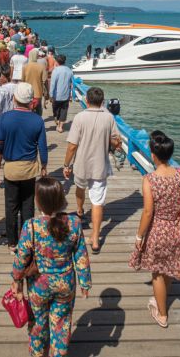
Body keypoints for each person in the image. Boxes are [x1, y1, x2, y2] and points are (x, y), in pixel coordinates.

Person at [11, 177, 91, 357]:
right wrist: (85, 283)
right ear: (61, 199)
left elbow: (21, 258)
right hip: (65, 283)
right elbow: (81, 256)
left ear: (38, 201)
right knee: (61, 325)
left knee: (38, 324)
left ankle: (38, 353)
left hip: (38, 285)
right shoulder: (74, 223)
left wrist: (16, 280)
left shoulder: (31, 226)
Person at [132, 131, 180, 328]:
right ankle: (161, 299)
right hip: (177, 228)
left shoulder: (150, 179)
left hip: (158, 229)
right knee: (168, 266)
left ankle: (162, 314)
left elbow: (148, 212)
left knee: (157, 273)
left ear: (153, 155)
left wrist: (139, 235)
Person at [62, 87, 121, 254]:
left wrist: (66, 165)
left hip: (81, 164)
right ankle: (95, 239)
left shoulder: (79, 117)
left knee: (79, 188)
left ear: (86, 100)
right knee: (97, 201)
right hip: (100, 166)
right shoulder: (109, 117)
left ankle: (80, 211)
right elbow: (117, 142)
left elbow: (72, 146)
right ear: (102, 102)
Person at [0, 83, 48, 251]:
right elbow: (43, 147)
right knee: (28, 206)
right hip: (29, 169)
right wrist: (44, 166)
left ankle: (12, 243)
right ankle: (27, 241)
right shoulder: (37, 120)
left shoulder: (3, 118)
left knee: (11, 207)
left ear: (14, 98)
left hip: (10, 169)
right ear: (31, 101)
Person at [49, 54, 74, 133]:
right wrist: (71, 95)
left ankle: (57, 122)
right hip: (66, 94)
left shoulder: (55, 71)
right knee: (64, 110)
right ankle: (60, 127)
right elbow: (72, 83)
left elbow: (53, 84)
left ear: (57, 62)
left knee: (55, 110)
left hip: (56, 95)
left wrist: (51, 95)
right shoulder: (69, 70)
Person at [22, 50, 49, 115]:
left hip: (27, 92)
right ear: (36, 56)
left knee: (28, 109)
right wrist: (47, 92)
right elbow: (44, 80)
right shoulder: (41, 67)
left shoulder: (25, 67)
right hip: (38, 92)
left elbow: (22, 81)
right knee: (38, 110)